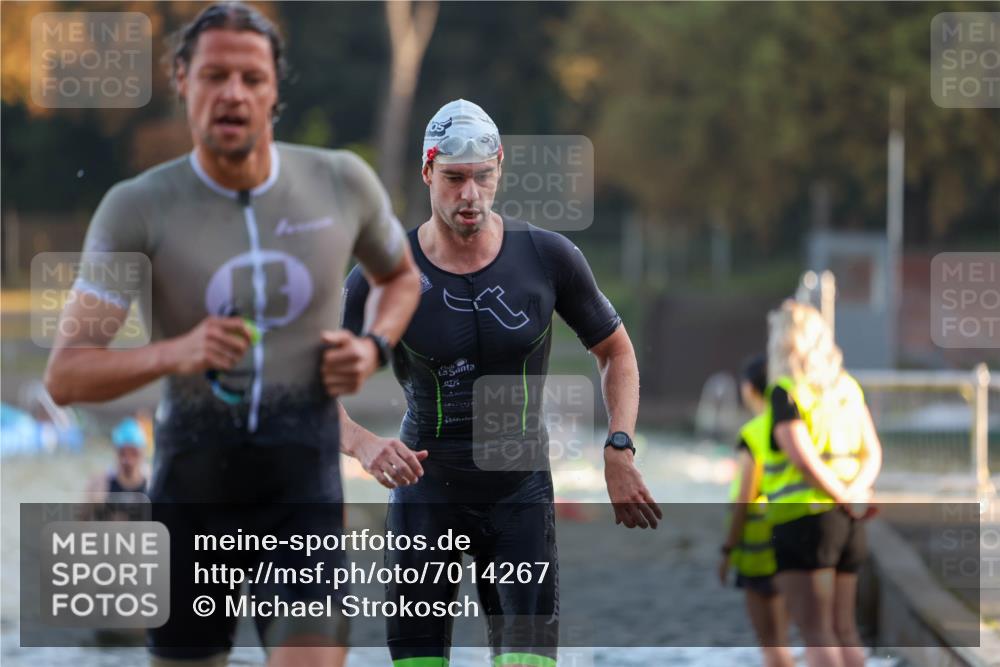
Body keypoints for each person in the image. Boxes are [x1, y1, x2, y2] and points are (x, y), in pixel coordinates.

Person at [43, 3, 421, 666]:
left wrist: (373, 346)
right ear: (181, 81)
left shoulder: (340, 183)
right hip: (191, 496)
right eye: (214, 75)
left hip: (302, 494)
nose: (233, 93)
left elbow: (401, 279)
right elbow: (66, 375)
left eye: (251, 78)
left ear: (275, 90)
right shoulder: (137, 207)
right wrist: (176, 352)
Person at [339, 99, 662, 667]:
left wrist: (619, 446)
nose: (470, 195)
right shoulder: (382, 273)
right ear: (427, 172)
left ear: (500, 169)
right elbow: (310, 390)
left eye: (482, 177)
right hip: (425, 497)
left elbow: (616, 351)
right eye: (454, 178)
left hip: (520, 497)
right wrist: (365, 445)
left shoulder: (547, 257)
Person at [761, 301, 882, 667]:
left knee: (816, 631)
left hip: (805, 522)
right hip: (850, 521)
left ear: (784, 341)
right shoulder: (847, 387)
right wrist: (854, 496)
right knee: (845, 629)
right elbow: (873, 453)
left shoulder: (786, 391)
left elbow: (803, 459)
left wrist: (841, 497)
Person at [718, 354, 793, 667]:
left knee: (770, 643)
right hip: (791, 536)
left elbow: (745, 499)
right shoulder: (794, 422)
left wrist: (727, 549)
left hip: (758, 548)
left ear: (748, 388)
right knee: (784, 638)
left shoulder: (754, 432)